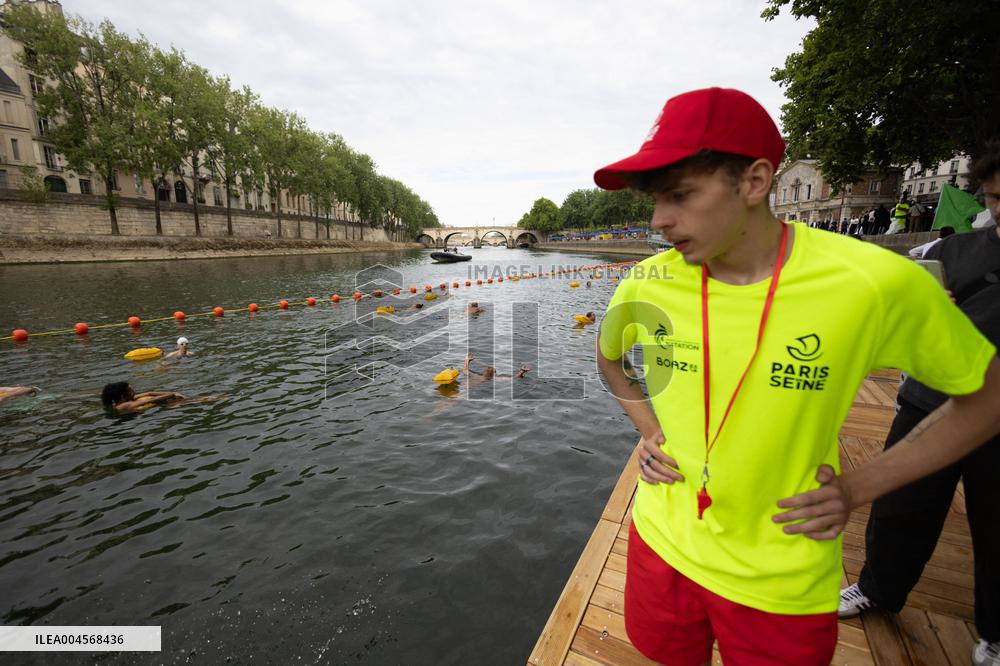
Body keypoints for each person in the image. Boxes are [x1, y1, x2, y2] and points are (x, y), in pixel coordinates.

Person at [593, 87, 1000, 665]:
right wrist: (648, 428)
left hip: (780, 574)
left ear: (755, 182)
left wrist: (861, 486)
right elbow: (609, 358)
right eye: (656, 200)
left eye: (681, 195)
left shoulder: (873, 282)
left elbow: (988, 397)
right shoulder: (647, 281)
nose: (659, 221)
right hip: (661, 544)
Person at [841, 142, 1000, 666]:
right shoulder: (947, 253)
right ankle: (878, 588)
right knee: (901, 506)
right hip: (929, 400)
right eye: (997, 199)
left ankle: (993, 633)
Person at [101, 382, 186, 415]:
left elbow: (149, 393)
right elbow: (151, 400)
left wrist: (173, 393)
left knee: (177, 399)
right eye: (131, 391)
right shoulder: (123, 405)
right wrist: (172, 394)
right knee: (177, 403)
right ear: (123, 396)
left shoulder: (127, 399)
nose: (134, 392)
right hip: (130, 415)